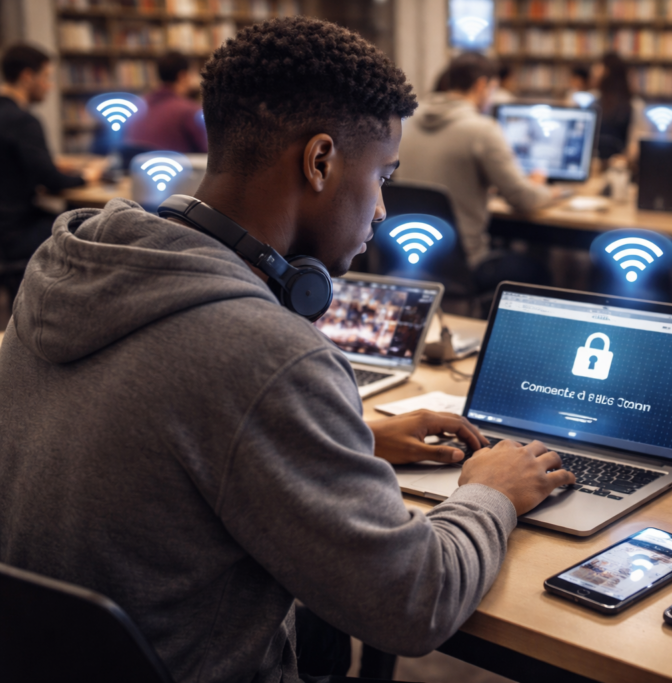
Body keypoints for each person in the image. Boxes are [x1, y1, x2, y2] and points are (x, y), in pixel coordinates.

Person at [0, 17, 573, 683]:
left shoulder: (68, 273)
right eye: (382, 174)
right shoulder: (267, 354)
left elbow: (153, 430)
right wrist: (491, 492)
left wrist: (350, 435)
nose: (383, 210)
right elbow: (416, 602)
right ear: (320, 160)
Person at [397, 51, 554, 282]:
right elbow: (524, 199)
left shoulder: (405, 122)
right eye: (493, 89)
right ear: (482, 85)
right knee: (539, 271)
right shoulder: (482, 130)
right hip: (466, 263)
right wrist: (548, 190)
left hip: (405, 254)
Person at [0, 44, 101, 278]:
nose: (50, 85)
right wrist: (87, 176)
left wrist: (51, 163)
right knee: (87, 226)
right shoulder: (24, 121)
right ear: (27, 76)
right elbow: (53, 182)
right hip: (15, 231)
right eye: (46, 77)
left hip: (4, 226)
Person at [124, 51, 207, 154]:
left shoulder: (137, 106)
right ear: (183, 76)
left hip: (134, 169)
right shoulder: (189, 111)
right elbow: (208, 150)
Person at [593, 52, 633, 160]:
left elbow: (633, 146)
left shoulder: (632, 105)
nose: (594, 72)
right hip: (594, 162)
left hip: (618, 165)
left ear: (607, 71)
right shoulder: (594, 101)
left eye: (598, 67)